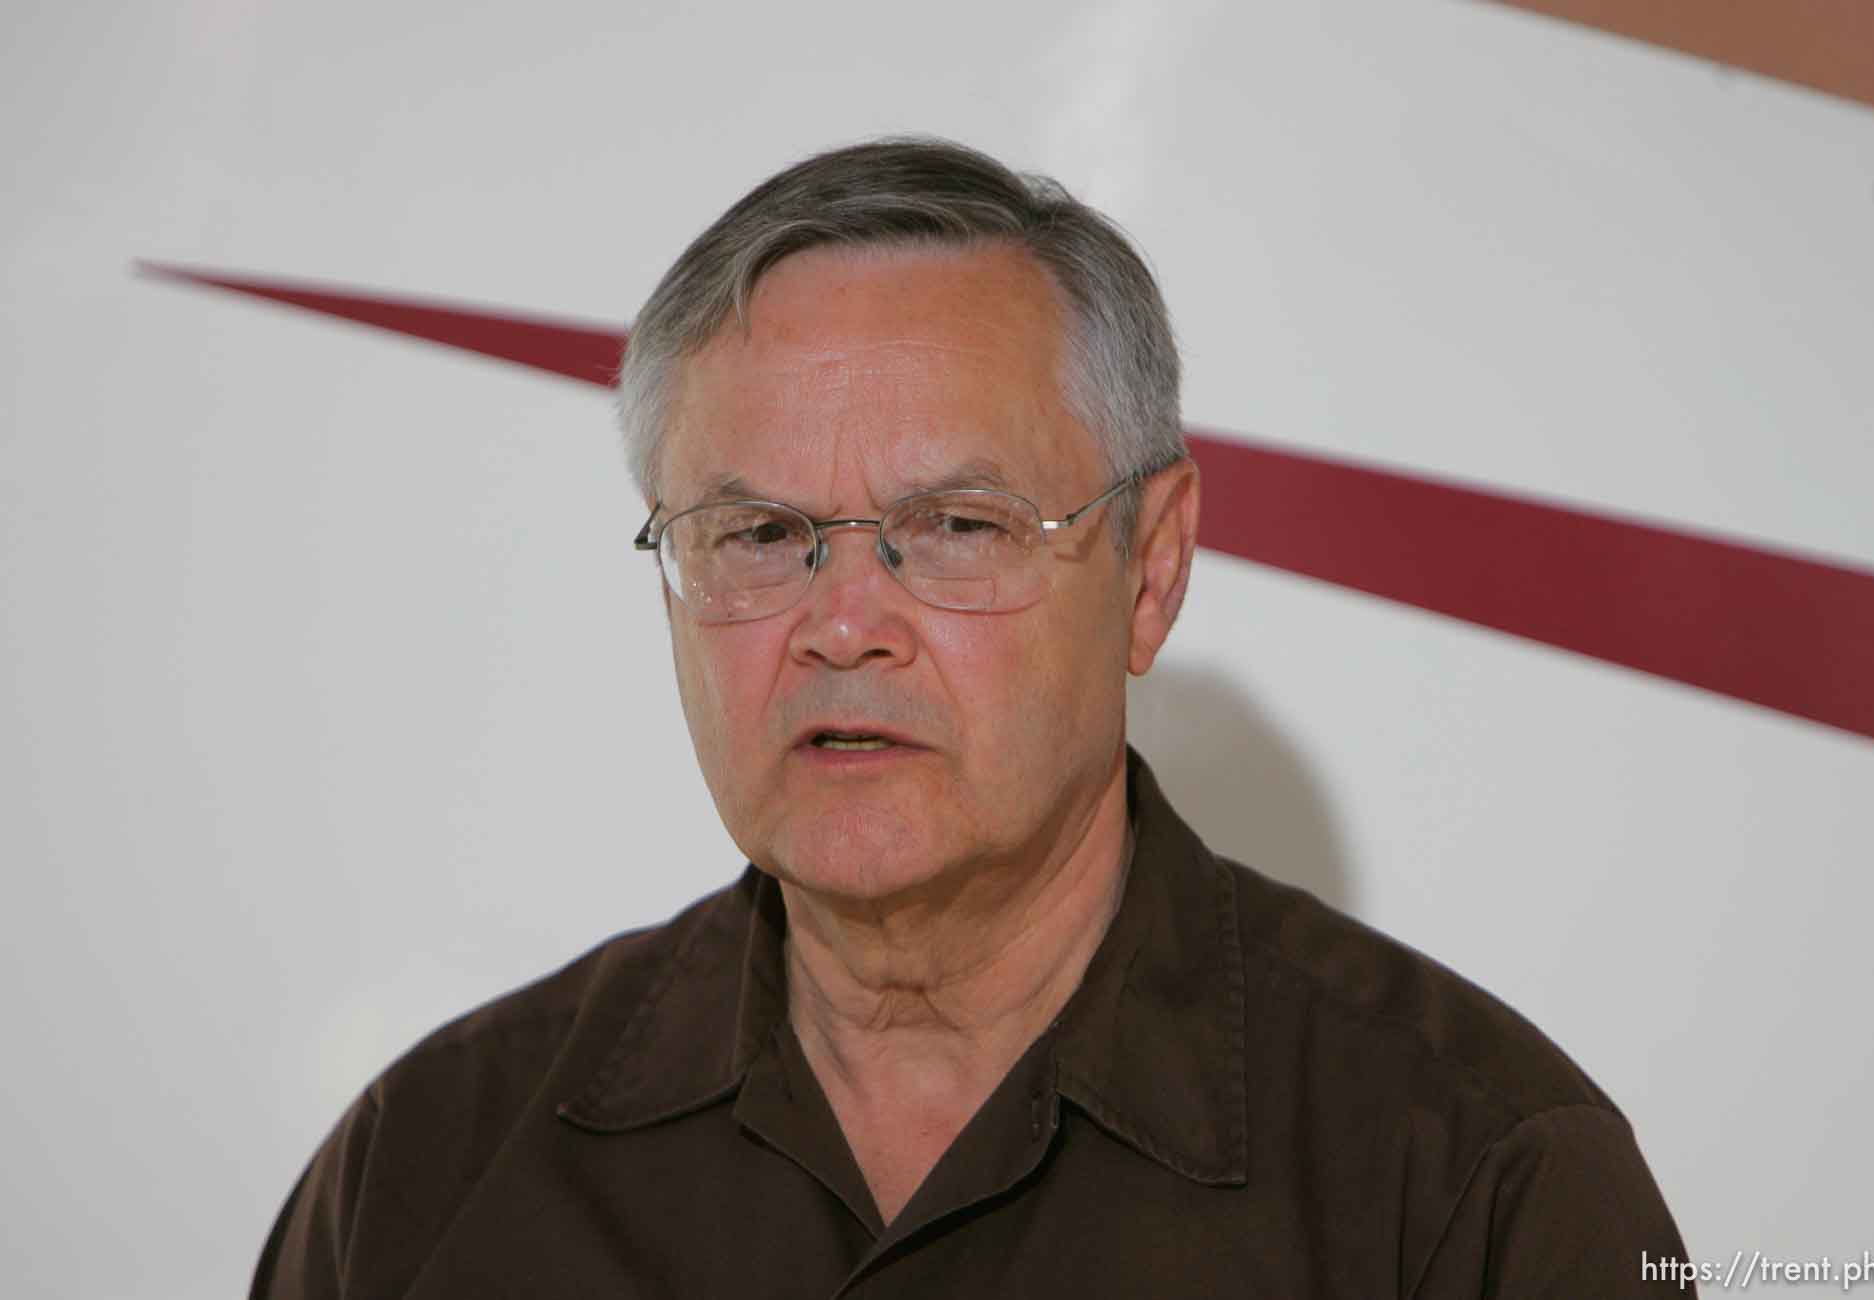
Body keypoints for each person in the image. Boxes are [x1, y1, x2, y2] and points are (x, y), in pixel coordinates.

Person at [252, 137, 1693, 1298]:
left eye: (952, 525)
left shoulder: (1471, 1187)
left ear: (1151, 566)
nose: (840, 621)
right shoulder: (433, 1166)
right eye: (756, 532)